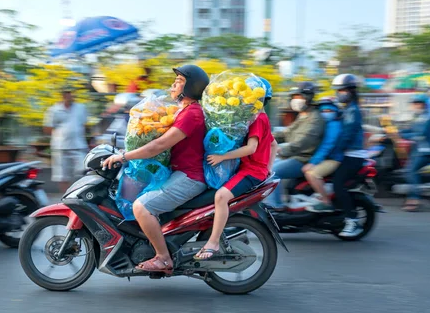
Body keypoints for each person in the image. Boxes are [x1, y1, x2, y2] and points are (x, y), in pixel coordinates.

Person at [102, 64, 210, 274]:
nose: (173, 84)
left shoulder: (192, 114)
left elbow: (159, 146)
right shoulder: (183, 111)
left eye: (179, 81)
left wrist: (124, 156)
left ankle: (163, 258)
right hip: (179, 173)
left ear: (191, 87)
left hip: (190, 177)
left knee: (142, 207)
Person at [195, 78, 277, 260]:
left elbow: (251, 148)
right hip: (255, 170)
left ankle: (213, 242)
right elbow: (274, 145)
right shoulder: (259, 117)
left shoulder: (258, 119)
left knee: (221, 197)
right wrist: (268, 169)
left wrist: (222, 157)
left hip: (251, 172)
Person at [266, 82, 325, 210]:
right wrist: (264, 137)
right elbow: (287, 133)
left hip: (302, 159)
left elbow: (303, 142)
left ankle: (275, 207)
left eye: (299, 97)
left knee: (271, 172)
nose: (295, 100)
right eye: (294, 97)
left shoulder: (315, 119)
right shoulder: (303, 116)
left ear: (308, 98)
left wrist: (281, 150)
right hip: (293, 155)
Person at [329, 74, 366, 237]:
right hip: (347, 153)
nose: (339, 93)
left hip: (353, 155)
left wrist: (334, 152)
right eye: (338, 90)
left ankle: (353, 221)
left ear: (351, 91)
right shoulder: (348, 109)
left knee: (338, 183)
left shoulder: (353, 110)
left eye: (342, 90)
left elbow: (347, 136)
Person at [43, 85, 89, 192]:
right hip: (60, 147)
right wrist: (61, 135)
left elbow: (84, 125)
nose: (70, 95)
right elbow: (47, 128)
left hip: (79, 145)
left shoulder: (81, 108)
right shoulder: (54, 110)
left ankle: (81, 197)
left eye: (71, 92)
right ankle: (65, 199)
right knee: (62, 175)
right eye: (67, 92)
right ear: (63, 95)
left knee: (84, 171)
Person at [397, 94, 430, 212]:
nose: (414, 105)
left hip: (425, 150)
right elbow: (411, 129)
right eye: (414, 103)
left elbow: (420, 135)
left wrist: (404, 135)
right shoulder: (417, 116)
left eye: (417, 103)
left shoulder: (428, 118)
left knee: (411, 171)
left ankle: (414, 198)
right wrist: (397, 131)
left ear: (423, 105)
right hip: (416, 150)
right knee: (406, 171)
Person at [303, 98, 343, 212]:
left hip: (334, 159)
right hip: (326, 157)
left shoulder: (334, 125)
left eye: (329, 111)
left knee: (312, 174)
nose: (326, 113)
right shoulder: (325, 124)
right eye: (323, 111)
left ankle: (326, 202)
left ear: (335, 111)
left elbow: (327, 145)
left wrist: (313, 162)